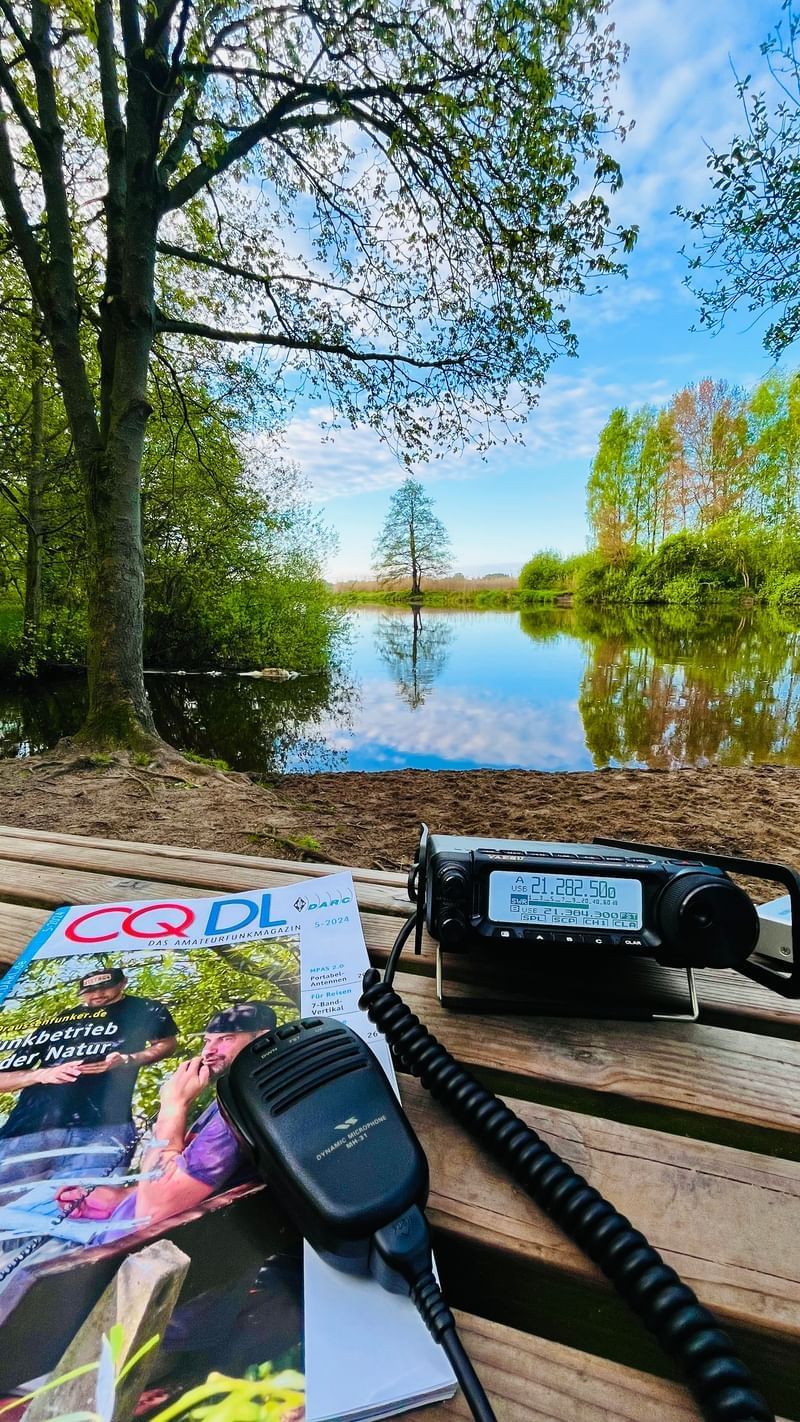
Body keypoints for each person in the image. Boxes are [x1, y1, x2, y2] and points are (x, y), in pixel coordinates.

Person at [60, 1001, 277, 1237]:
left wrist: (173, 1106)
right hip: (112, 1223)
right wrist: (120, 1197)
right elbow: (184, 1175)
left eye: (226, 1039)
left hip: (124, 1244)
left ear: (262, 1039)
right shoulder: (230, 1097)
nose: (208, 1051)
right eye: (207, 1041)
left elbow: (153, 1210)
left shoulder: (240, 1106)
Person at [0, 968, 178, 1187]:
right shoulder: (61, 1020)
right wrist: (43, 1074)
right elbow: (3, 1079)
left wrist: (129, 1059)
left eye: (105, 988)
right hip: (28, 1129)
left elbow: (167, 1043)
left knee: (82, 1203)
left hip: (103, 1130)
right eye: (90, 991)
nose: (98, 995)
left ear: (123, 983)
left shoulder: (145, 1009)